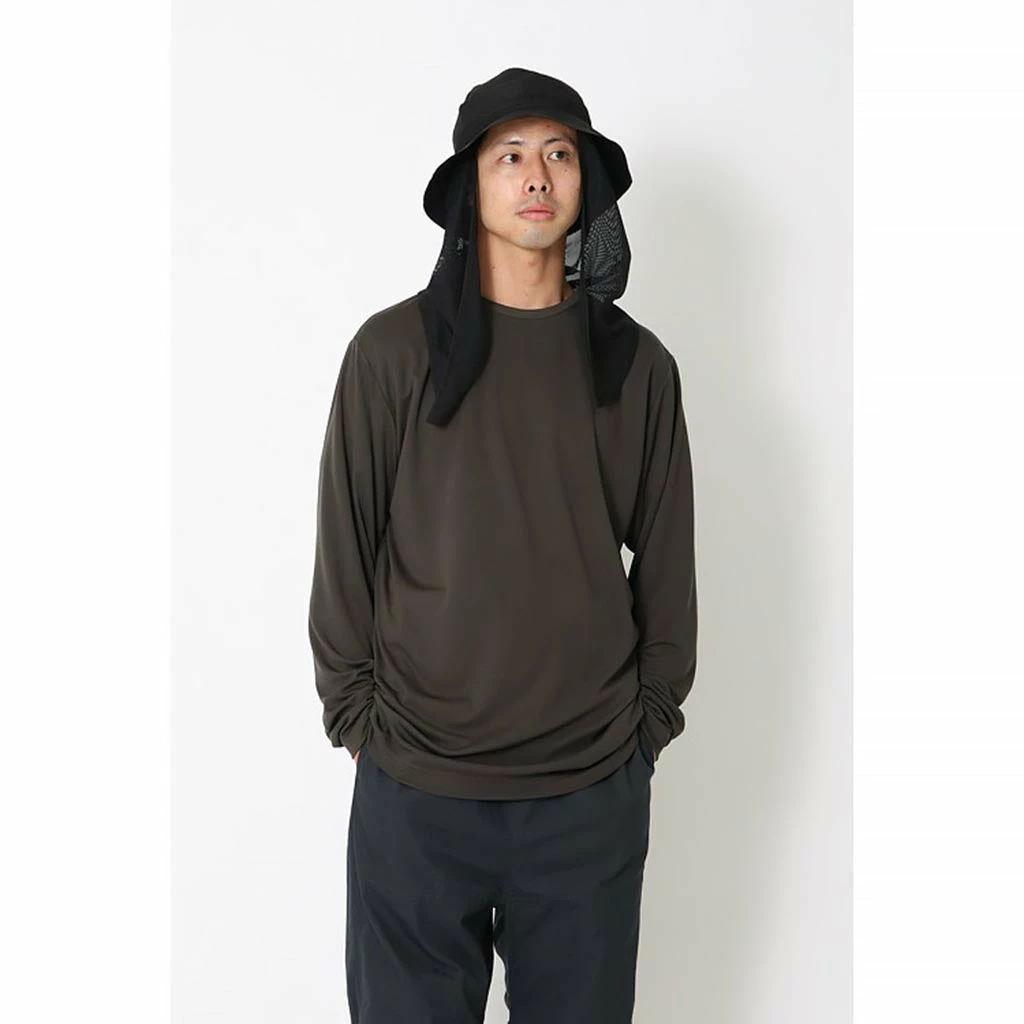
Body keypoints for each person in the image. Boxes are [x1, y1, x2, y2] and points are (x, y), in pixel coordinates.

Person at [308, 66, 699, 1023]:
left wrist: (644, 734)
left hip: (587, 792)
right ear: (470, 188)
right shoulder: (391, 353)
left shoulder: (637, 367)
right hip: (416, 787)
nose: (536, 175)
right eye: (509, 155)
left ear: (585, 185)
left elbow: (668, 564)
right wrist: (359, 724)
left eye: (559, 154)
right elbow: (345, 549)